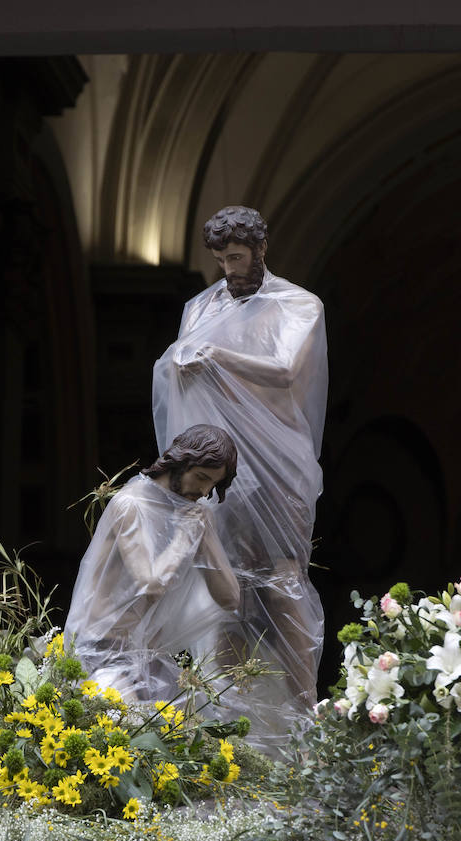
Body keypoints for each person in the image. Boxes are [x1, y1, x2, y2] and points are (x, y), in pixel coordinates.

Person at [152, 205, 328, 747]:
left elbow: (285, 371)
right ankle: (224, 724)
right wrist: (185, 364)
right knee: (224, 585)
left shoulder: (298, 303)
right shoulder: (201, 307)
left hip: (277, 461)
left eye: (236, 257)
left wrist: (216, 356)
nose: (229, 269)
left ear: (260, 250)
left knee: (283, 580)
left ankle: (305, 717)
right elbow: (180, 368)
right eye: (221, 259)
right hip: (219, 460)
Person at [64, 424, 240, 703]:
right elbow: (150, 585)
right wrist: (183, 538)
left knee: (196, 718)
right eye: (201, 477)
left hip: (148, 656)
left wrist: (204, 535)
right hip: (101, 651)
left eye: (213, 484)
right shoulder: (131, 505)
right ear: (180, 462)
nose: (205, 491)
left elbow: (229, 598)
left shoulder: (194, 515)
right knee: (130, 722)